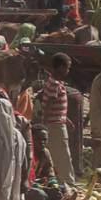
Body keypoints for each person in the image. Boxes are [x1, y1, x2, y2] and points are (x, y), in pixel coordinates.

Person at [39, 53, 75, 186]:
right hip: (55, 126)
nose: (68, 71)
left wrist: (66, 119)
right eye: (67, 68)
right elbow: (49, 104)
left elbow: (55, 106)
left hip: (58, 122)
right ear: (60, 67)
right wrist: (45, 124)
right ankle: (68, 183)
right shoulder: (54, 84)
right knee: (63, 156)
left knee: (57, 155)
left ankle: (60, 182)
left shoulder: (54, 82)